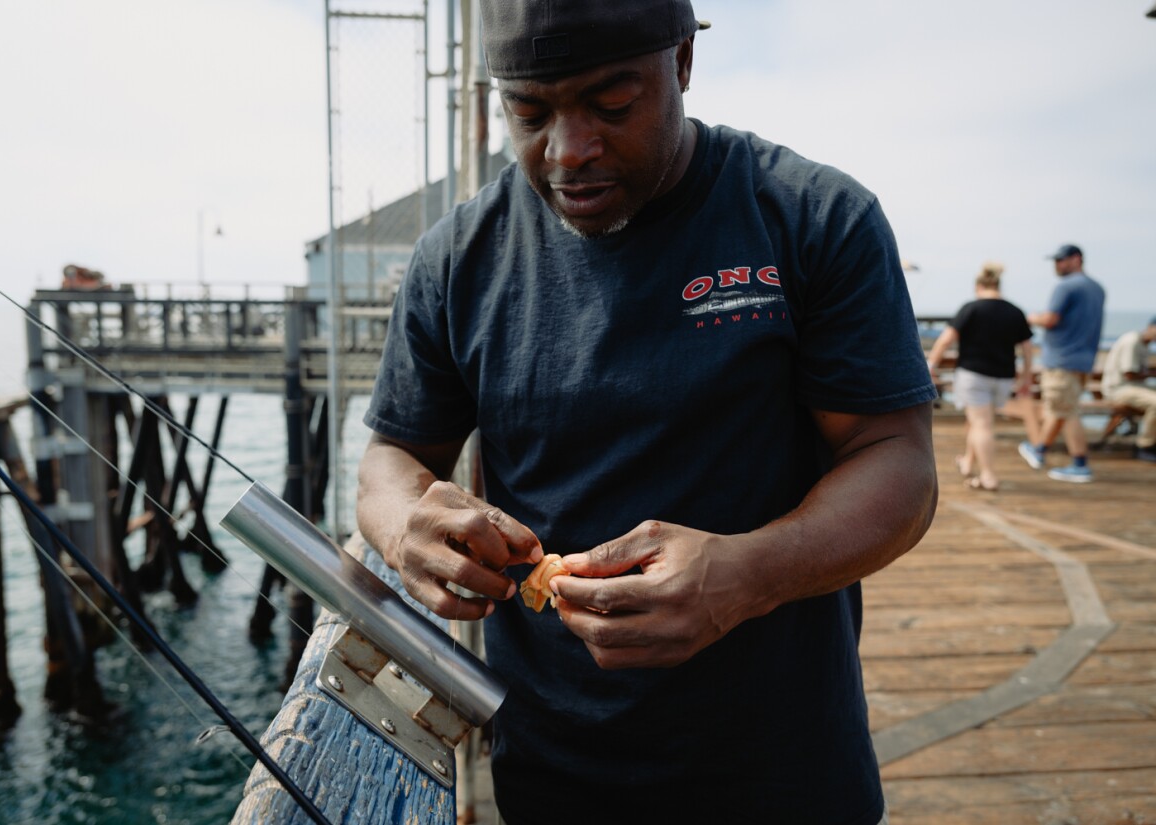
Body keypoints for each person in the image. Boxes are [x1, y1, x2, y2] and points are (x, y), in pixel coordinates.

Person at [356, 2, 938, 822]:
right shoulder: (456, 257)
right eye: (530, 111)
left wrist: (747, 575)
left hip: (785, 768)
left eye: (612, 104)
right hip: (550, 770)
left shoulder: (811, 217)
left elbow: (897, 460)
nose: (569, 150)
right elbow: (390, 460)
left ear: (683, 65)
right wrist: (402, 528)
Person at [927, 262, 1034, 491]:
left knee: (982, 424)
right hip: (1003, 377)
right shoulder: (1015, 311)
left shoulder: (971, 308)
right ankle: (967, 461)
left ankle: (988, 477)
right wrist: (1026, 377)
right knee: (977, 420)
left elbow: (946, 340)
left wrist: (931, 365)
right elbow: (1027, 348)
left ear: (978, 286)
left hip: (973, 375)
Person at [1019, 244, 1107, 482]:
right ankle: (1039, 450)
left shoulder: (1066, 286)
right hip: (1085, 360)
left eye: (1061, 260)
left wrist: (1029, 317)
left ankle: (1080, 464)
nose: (1057, 265)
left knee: (1066, 411)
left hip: (1061, 360)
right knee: (1059, 409)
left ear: (1077, 259)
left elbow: (1051, 319)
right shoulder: (1097, 288)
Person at [1100, 316, 1156, 462]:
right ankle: (1145, 446)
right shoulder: (1132, 341)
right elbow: (1130, 373)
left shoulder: (1144, 344)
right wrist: (1152, 373)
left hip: (1133, 387)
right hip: (1119, 389)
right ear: (1151, 327)